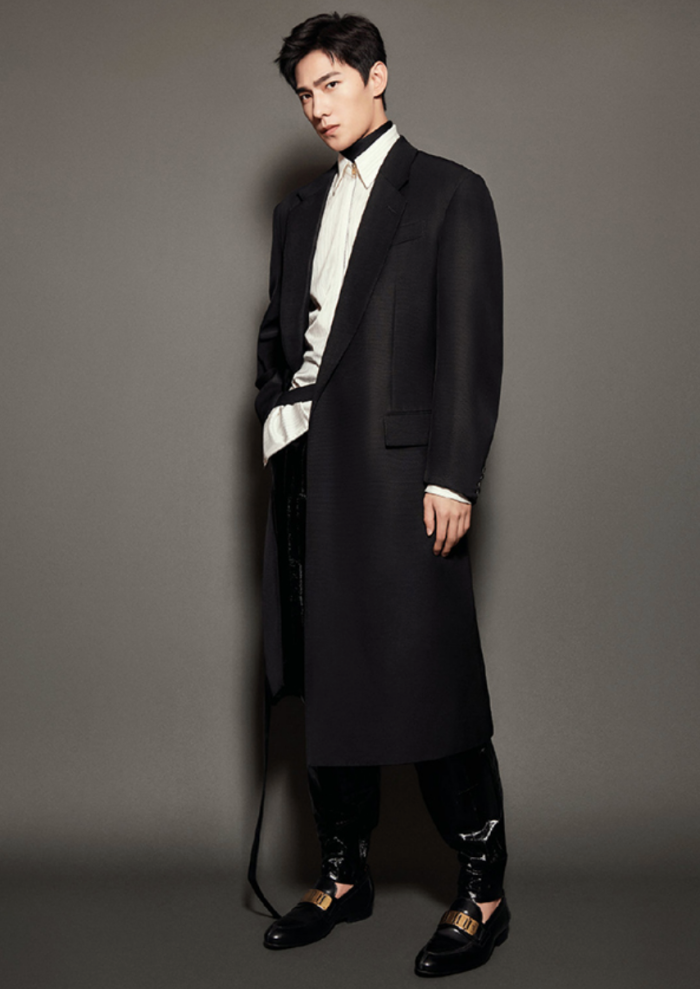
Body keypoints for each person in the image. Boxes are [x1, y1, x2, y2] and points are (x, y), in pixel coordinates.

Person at [248, 12, 509, 977]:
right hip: (308, 473)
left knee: (428, 676)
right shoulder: (296, 212)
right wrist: (276, 415)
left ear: (377, 76)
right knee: (326, 677)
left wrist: (453, 472)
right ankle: (343, 874)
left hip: (405, 481)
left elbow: (471, 342)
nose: (318, 108)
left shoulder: (448, 192)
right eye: (304, 94)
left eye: (331, 85)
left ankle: (483, 892)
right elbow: (279, 339)